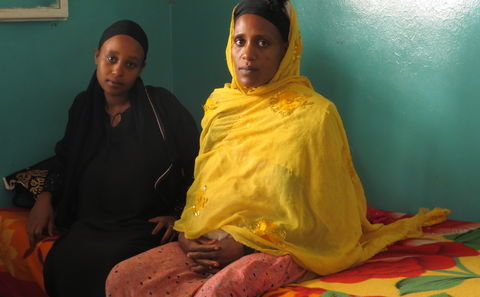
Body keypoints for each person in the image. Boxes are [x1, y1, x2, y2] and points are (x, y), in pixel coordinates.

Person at [105, 1, 448, 297]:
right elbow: (204, 192)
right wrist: (188, 236)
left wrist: (244, 245)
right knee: (123, 277)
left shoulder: (315, 114)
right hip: (208, 241)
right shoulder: (221, 107)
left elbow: (329, 213)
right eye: (240, 41)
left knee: (217, 291)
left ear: (286, 51)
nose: (248, 54)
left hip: (279, 247)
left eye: (263, 43)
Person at [25, 20, 199, 297]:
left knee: (110, 268)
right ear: (97, 56)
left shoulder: (161, 106)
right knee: (62, 262)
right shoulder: (83, 107)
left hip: (142, 226)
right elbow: (64, 157)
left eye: (130, 64)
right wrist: (43, 198)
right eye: (111, 59)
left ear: (141, 69)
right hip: (89, 223)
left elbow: (198, 164)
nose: (118, 71)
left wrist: (179, 217)